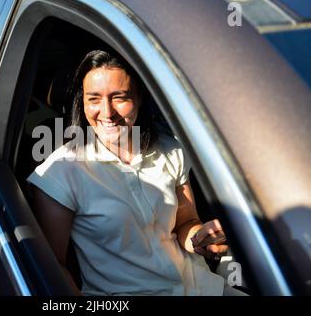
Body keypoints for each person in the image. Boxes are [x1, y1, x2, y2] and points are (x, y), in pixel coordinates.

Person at [27, 50, 246, 296]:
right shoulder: (60, 172)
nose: (107, 113)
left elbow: (186, 223)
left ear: (140, 97)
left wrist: (201, 239)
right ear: (83, 101)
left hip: (201, 287)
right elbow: (53, 267)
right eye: (94, 99)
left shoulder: (169, 149)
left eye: (119, 97)